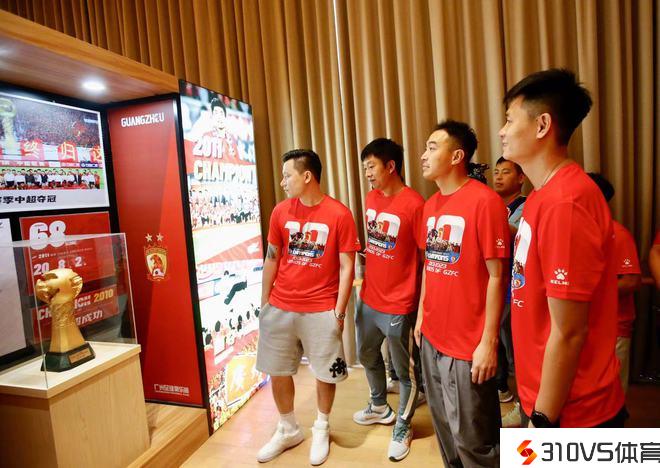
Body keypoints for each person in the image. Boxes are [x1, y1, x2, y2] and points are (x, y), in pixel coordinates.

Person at [500, 68, 626, 428]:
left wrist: (543, 419)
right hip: (544, 397)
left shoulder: (566, 202)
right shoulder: (543, 196)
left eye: (510, 120)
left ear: (542, 125)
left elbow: (570, 331)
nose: (502, 131)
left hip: (572, 412)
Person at [256, 149, 360, 465]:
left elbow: (347, 266)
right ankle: (288, 428)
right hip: (280, 306)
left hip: (321, 308)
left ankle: (322, 427)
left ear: (306, 176)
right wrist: (264, 304)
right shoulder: (280, 212)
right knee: (277, 369)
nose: (283, 182)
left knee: (325, 372)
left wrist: (339, 312)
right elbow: (272, 259)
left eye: (287, 175)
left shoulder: (339, 214)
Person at [416, 120, 509, 467]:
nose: (423, 155)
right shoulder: (430, 206)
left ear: (457, 156)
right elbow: (429, 265)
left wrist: (488, 342)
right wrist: (421, 317)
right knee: (444, 430)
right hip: (432, 336)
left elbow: (497, 276)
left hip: (468, 343)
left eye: (432, 147)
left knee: (474, 439)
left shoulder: (485, 202)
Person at [352, 138, 424, 461]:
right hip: (369, 297)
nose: (367, 173)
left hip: (399, 303)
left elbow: (425, 258)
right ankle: (379, 405)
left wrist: (420, 305)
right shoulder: (371, 198)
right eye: (365, 167)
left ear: (391, 166)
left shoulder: (415, 204)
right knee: (366, 354)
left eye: (371, 166)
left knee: (405, 373)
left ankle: (404, 426)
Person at [587, 173, 641, 393]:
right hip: (583, 325)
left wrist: (587, 293)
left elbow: (631, 281)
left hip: (613, 326)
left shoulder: (618, 234)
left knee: (612, 392)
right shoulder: (580, 233)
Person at [492, 156, 526, 406]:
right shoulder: (492, 203)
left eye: (505, 172)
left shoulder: (526, 205)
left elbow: (513, 234)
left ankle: (525, 401)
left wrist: (488, 214)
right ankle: (501, 385)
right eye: (496, 172)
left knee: (514, 341)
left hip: (517, 285)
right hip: (494, 280)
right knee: (496, 337)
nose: (498, 177)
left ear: (521, 178)